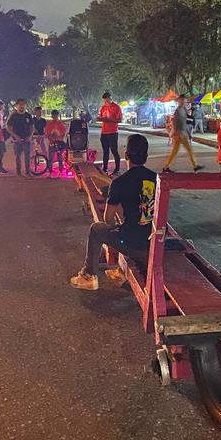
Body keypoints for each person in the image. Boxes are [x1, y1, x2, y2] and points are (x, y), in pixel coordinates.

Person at [70, 134, 157, 291]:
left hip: (133, 245)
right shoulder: (155, 178)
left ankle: (88, 275)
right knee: (131, 226)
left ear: (126, 156)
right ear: (146, 156)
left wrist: (117, 203)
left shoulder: (120, 183)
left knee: (97, 229)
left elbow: (107, 219)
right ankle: (120, 271)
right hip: (152, 242)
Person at [162, 94, 204, 173]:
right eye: (183, 100)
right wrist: (177, 133)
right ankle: (195, 165)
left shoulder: (183, 110)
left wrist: (188, 133)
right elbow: (175, 123)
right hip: (179, 134)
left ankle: (166, 166)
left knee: (179, 151)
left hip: (182, 133)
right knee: (185, 150)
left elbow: (185, 123)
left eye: (185, 100)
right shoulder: (178, 111)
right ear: (180, 101)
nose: (185, 101)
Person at [6, 98, 34, 178]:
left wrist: (30, 136)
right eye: (20, 104)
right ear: (17, 106)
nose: (22, 106)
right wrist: (15, 136)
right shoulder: (13, 116)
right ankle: (18, 172)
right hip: (17, 140)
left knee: (27, 156)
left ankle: (28, 172)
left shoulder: (28, 116)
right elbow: (8, 127)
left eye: (23, 104)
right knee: (17, 156)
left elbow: (32, 127)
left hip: (26, 139)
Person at [97, 91, 123, 175]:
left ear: (110, 98)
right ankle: (105, 168)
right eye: (104, 101)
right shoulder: (103, 107)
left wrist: (109, 120)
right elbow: (101, 117)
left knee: (114, 151)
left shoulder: (116, 107)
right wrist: (100, 118)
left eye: (106, 100)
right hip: (104, 132)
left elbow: (119, 120)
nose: (105, 102)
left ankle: (117, 169)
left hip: (112, 132)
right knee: (105, 151)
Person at [45, 109, 68, 175]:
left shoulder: (60, 124)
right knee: (51, 158)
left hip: (59, 143)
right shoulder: (49, 124)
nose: (55, 117)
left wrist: (61, 139)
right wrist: (51, 140)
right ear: (52, 116)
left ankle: (60, 171)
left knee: (60, 157)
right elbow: (48, 134)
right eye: (54, 115)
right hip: (52, 143)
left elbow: (63, 132)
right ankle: (50, 172)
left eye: (56, 115)